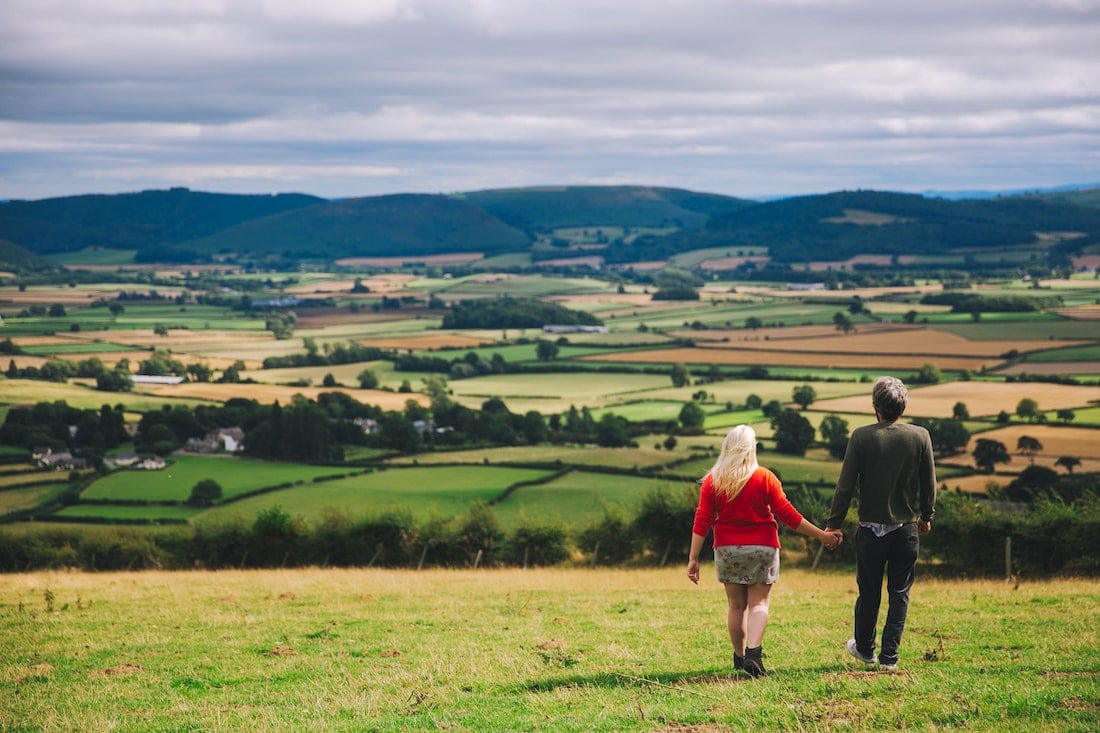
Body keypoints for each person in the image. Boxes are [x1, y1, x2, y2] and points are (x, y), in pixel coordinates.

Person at [687, 424, 840, 678]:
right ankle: (754, 655)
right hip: (763, 547)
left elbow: (702, 519)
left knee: (736, 606)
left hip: (727, 549)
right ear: (752, 448)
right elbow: (789, 516)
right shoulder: (765, 478)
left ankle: (740, 657)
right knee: (759, 603)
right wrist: (821, 535)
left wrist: (693, 558)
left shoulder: (713, 481)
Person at [825, 375, 937, 672]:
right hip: (906, 530)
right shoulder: (920, 436)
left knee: (869, 592)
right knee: (899, 593)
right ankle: (890, 658)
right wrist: (926, 516)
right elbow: (929, 484)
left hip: (871, 531)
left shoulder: (862, 437)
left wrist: (833, 524)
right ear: (903, 405)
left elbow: (845, 486)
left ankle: (864, 649)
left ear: (876, 406)